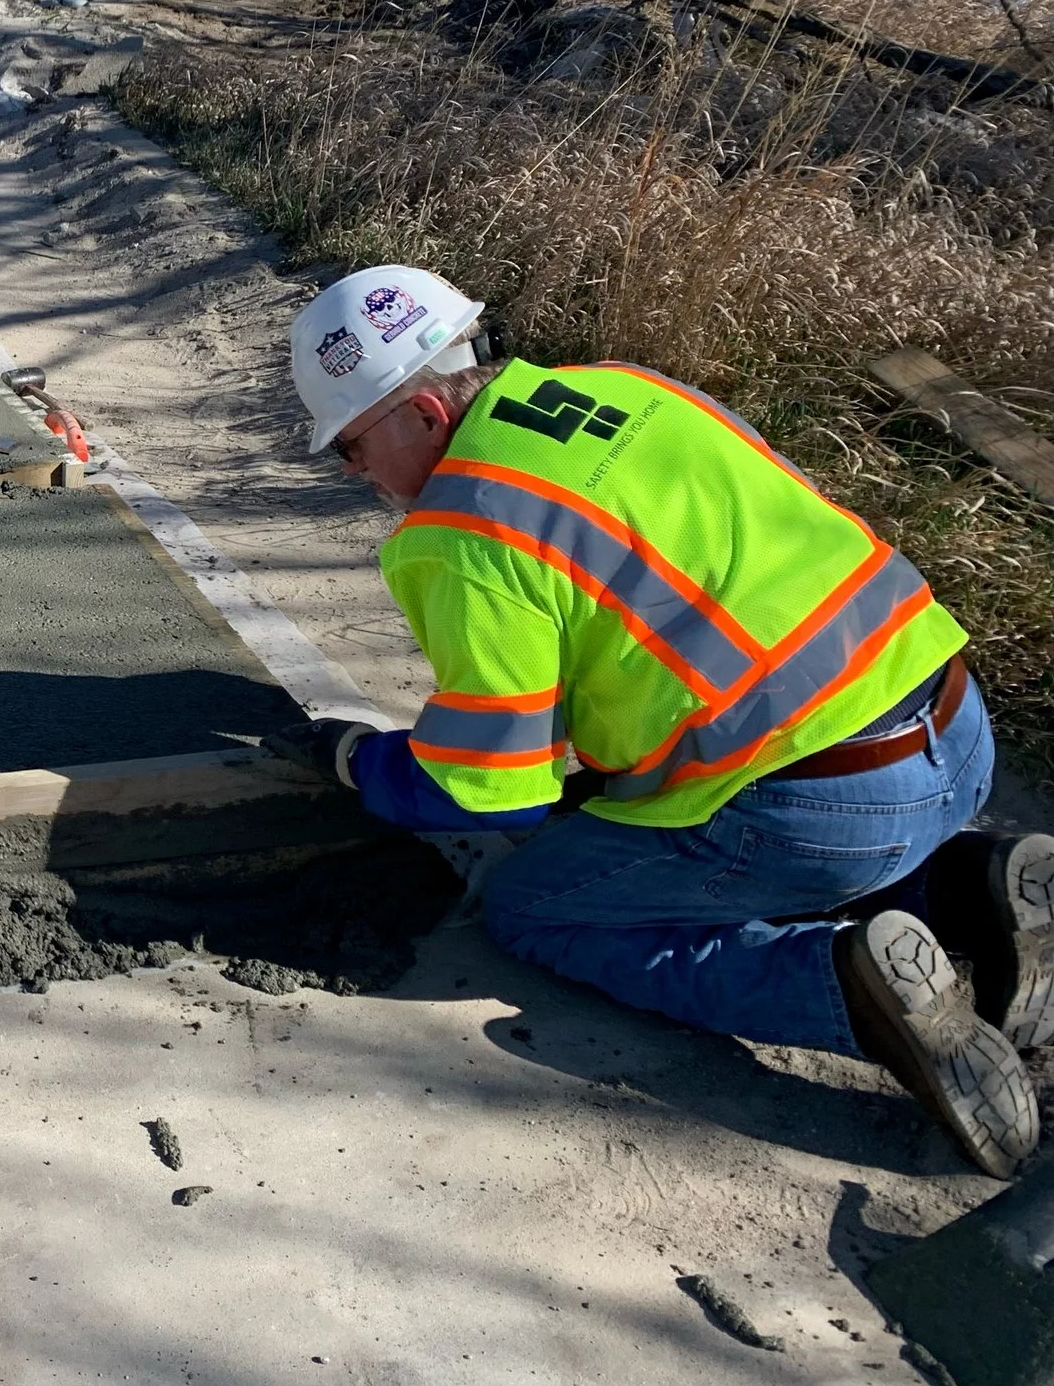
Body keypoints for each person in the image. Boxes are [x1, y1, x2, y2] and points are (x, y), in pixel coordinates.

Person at [262, 265, 1052, 1179]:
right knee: (674, 814)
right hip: (954, 724)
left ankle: (845, 989)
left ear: (429, 416)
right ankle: (969, 892)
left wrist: (358, 761)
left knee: (538, 906)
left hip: (826, 808)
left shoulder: (464, 530)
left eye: (351, 447)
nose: (356, 473)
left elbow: (484, 790)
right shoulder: (633, 390)